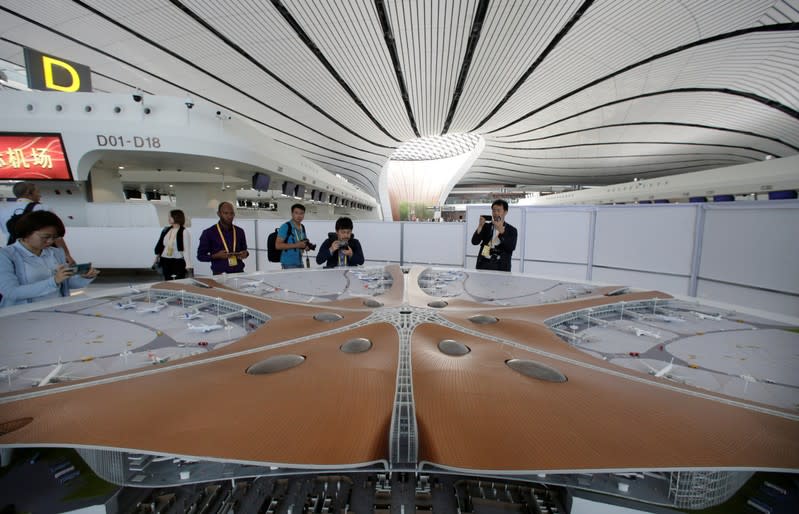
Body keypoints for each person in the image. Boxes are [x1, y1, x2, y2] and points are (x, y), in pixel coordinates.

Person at [0, 211, 98, 307]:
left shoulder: (55, 252)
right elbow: (11, 292)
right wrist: (53, 281)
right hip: (23, 313)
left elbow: (65, 283)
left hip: (56, 308)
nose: (50, 241)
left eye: (55, 237)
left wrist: (84, 277)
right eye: (45, 237)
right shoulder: (6, 255)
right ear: (27, 233)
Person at [1, 182, 75, 265]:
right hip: (42, 254)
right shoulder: (42, 208)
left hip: (14, 251)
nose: (40, 195)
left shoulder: (3, 210)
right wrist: (66, 255)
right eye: (38, 192)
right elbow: (56, 235)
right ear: (29, 192)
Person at [196, 202, 249, 275]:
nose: (229, 216)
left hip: (239, 272)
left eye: (231, 213)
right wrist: (216, 256)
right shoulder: (209, 233)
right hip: (220, 275)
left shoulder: (239, 231)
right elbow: (200, 256)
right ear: (219, 214)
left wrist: (245, 254)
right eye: (226, 213)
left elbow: (245, 250)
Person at [471, 199, 518, 272]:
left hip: (501, 266)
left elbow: (511, 247)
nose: (495, 213)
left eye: (498, 210)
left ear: (505, 212)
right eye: (493, 210)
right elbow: (474, 242)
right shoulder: (487, 226)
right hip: (484, 264)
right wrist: (480, 226)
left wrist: (502, 232)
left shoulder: (511, 230)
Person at [154, 209, 192, 280]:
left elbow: (186, 250)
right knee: (168, 281)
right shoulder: (166, 230)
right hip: (165, 260)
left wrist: (188, 265)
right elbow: (161, 245)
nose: (168, 218)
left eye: (170, 217)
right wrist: (156, 257)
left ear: (176, 217)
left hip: (177, 261)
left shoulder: (184, 232)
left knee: (179, 281)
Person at [276, 204, 314, 269]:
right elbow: (278, 245)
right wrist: (297, 245)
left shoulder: (302, 227)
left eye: (301, 213)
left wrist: (306, 246)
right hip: (288, 263)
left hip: (300, 262)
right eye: (296, 213)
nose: (299, 216)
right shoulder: (286, 227)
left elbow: (301, 242)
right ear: (292, 214)